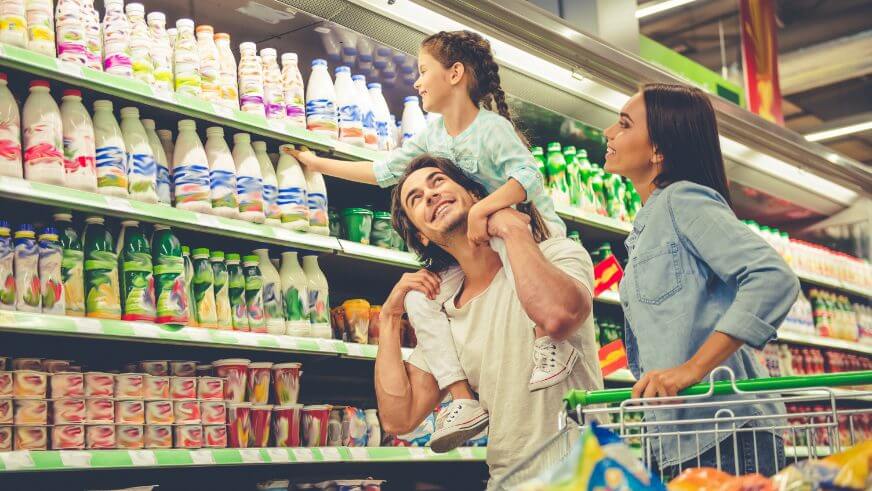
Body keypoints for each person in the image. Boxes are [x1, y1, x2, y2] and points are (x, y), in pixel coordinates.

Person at [292, 30, 575, 451]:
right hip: (481, 239)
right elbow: (385, 171)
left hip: (526, 229)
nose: (418, 82)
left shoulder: (492, 129)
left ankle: (548, 344)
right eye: (416, 198)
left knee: (517, 265)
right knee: (419, 298)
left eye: (424, 71)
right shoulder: (433, 135)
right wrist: (317, 163)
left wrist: (482, 210)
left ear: (456, 74)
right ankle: (461, 399)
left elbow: (530, 179)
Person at [603, 83, 800, 478]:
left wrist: (692, 369)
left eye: (624, 124)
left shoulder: (683, 200)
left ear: (658, 150)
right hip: (681, 434)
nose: (609, 132)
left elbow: (772, 276)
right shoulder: (647, 223)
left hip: (725, 431)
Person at [374, 154, 603, 485]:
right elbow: (399, 418)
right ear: (422, 235)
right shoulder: (442, 313)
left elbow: (557, 317)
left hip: (584, 476)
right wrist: (390, 316)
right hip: (508, 480)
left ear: (476, 194)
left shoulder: (556, 255)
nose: (430, 195)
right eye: (417, 198)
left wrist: (510, 227)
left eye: (437, 181)